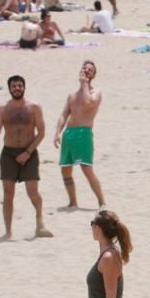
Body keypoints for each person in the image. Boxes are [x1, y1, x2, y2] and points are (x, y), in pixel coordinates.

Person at [0, 75, 52, 240]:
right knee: (8, 194)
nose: (17, 88)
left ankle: (40, 223)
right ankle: (8, 231)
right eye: (14, 86)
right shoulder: (3, 109)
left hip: (29, 152)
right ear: (9, 88)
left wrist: (27, 152)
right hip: (9, 153)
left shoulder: (34, 107)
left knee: (32, 192)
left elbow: (41, 132)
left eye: (20, 86)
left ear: (24, 87)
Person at [55, 60, 106, 210]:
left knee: (86, 168)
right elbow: (64, 115)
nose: (86, 71)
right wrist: (58, 132)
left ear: (94, 75)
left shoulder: (95, 92)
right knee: (65, 169)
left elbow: (89, 103)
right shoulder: (72, 96)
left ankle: (101, 201)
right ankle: (73, 202)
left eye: (90, 70)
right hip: (69, 134)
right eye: (85, 68)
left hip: (83, 133)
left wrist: (84, 84)